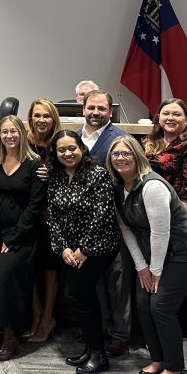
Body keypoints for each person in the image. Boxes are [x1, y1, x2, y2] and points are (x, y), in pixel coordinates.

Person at [107, 136, 187, 374]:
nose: (120, 158)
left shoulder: (152, 186)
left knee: (161, 306)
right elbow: (126, 230)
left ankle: (174, 368)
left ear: (138, 156)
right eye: (115, 154)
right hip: (155, 254)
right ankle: (158, 359)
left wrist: (156, 271)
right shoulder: (118, 186)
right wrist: (142, 267)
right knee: (143, 304)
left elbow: (160, 233)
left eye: (126, 153)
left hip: (185, 252)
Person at [143, 98, 187, 370]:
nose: (170, 118)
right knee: (156, 288)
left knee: (179, 291)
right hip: (150, 226)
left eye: (176, 114)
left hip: (181, 226)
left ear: (186, 119)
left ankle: (186, 345)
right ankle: (162, 347)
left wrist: (169, 226)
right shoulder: (150, 142)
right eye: (165, 113)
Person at [46, 129, 120, 374]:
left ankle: (99, 354)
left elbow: (103, 215)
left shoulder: (97, 174)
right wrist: (63, 248)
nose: (67, 153)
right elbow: (52, 216)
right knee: (82, 298)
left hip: (97, 248)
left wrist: (83, 250)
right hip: (69, 250)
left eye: (72, 148)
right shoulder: (56, 177)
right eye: (62, 150)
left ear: (81, 148)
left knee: (76, 296)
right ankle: (91, 349)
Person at [0, 115, 44, 362]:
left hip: (22, 236)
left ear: (22, 134)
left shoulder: (34, 164)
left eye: (14, 132)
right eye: (5, 132)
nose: (9, 136)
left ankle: (11, 336)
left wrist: (13, 238)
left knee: (3, 277)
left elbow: (34, 206)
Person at [78, 89, 131, 357]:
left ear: (110, 111)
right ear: (83, 108)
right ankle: (98, 329)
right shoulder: (74, 138)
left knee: (117, 281)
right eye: (91, 108)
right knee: (93, 281)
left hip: (115, 222)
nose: (96, 113)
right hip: (82, 227)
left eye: (102, 109)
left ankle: (119, 334)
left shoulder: (121, 140)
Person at [25, 99, 61, 343]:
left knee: (49, 269)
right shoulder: (22, 141)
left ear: (53, 119)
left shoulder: (61, 144)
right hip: (25, 214)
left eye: (46, 116)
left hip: (51, 217)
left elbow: (75, 174)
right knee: (25, 267)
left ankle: (48, 317)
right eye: (37, 115)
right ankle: (35, 312)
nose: (41, 120)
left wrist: (53, 175)